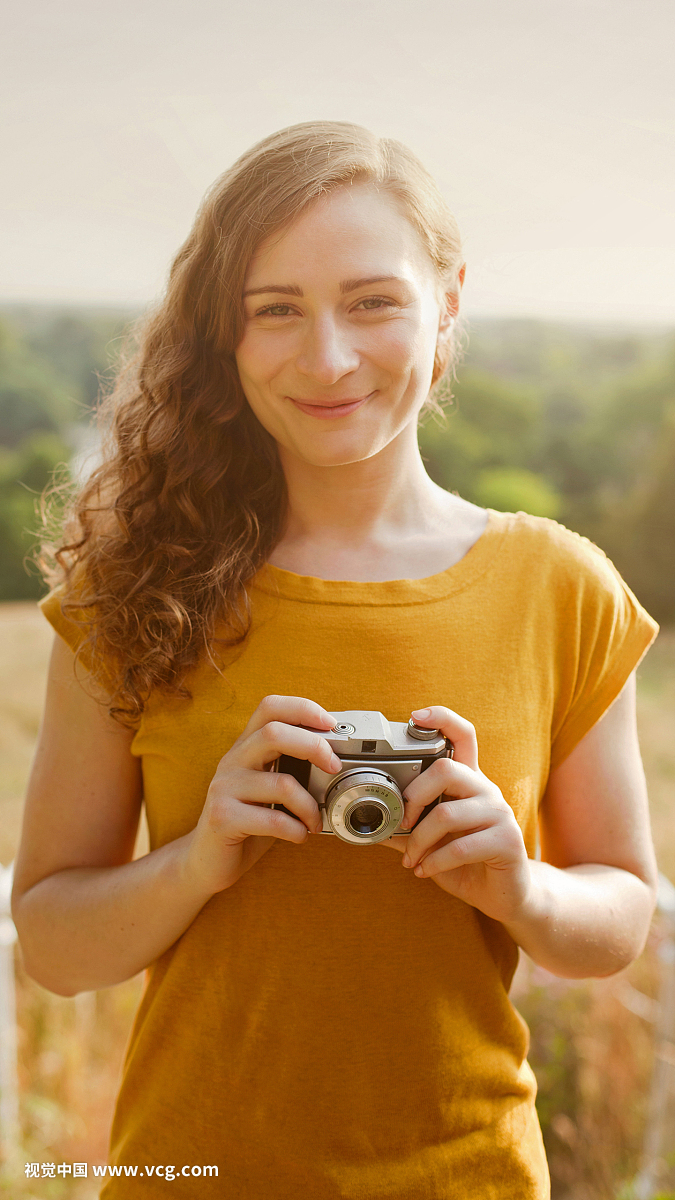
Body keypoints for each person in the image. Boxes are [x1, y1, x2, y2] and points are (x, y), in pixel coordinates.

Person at [12, 121, 659, 1199]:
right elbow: (54, 947)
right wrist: (202, 857)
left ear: (447, 304)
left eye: (373, 301)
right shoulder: (130, 592)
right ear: (225, 334)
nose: (327, 358)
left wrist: (521, 886)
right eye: (277, 310)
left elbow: (622, 919)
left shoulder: (563, 586)